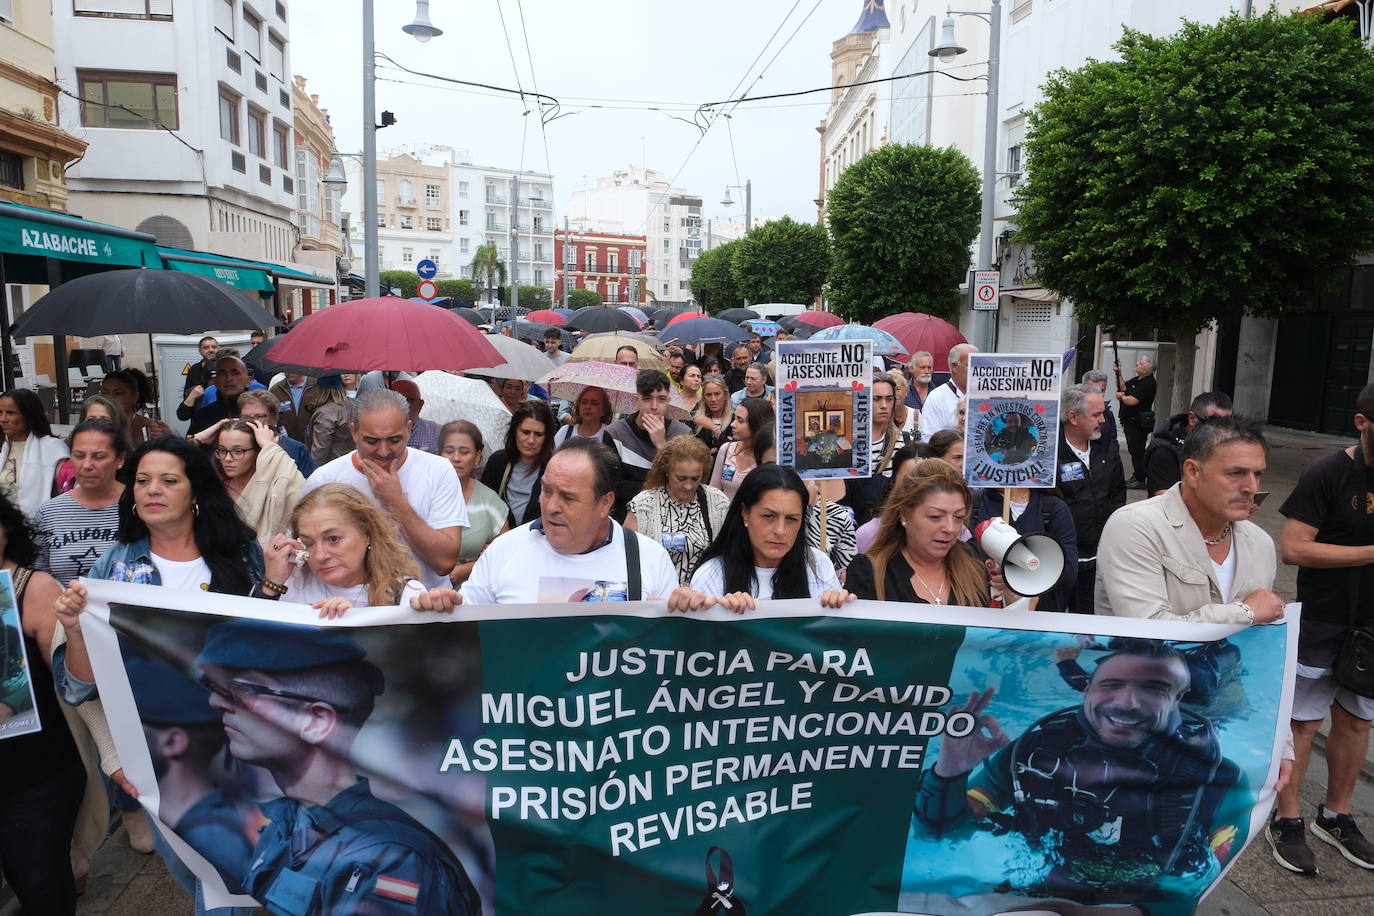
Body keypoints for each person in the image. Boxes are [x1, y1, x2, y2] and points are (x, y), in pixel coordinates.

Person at [52, 435, 266, 916]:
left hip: (239, 753)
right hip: (158, 757)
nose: (152, 490)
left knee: (225, 884)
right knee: (197, 874)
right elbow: (84, 685)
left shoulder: (242, 556)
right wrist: (76, 632)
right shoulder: (113, 568)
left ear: (195, 491)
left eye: (169, 481)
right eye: (143, 481)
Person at [915, 640, 1249, 904]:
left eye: (1154, 689)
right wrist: (948, 773)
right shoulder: (1032, 752)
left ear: (1177, 699)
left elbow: (1198, 883)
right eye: (1111, 684)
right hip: (1039, 891)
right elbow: (939, 834)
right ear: (1085, 688)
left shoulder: (1216, 779)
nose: (1127, 702)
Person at [195, 620, 481, 915]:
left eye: (241, 690)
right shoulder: (287, 823)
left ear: (317, 721)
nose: (215, 701)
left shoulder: (389, 858)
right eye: (215, 687)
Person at [1270, 384, 1374, 874]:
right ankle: (1286, 820)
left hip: (1371, 628)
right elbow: (1295, 547)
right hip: (1323, 618)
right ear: (1361, 422)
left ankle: (1336, 816)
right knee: (1304, 722)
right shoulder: (1328, 472)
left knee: (1356, 720)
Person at [0, 491, 95, 916]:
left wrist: (75, 632)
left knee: (39, 884)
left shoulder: (33, 588)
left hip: (35, 774)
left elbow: (75, 681)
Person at [1096, 417, 1284, 626]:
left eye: (1257, 474)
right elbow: (1148, 631)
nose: (1252, 488)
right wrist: (1245, 613)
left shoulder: (1260, 543)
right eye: (1236, 473)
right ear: (1193, 472)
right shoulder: (1135, 527)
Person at [459, 439, 694, 606]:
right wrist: (438, 610)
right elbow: (464, 634)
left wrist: (691, 617)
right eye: (546, 491)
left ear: (604, 503)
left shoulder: (649, 559)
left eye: (568, 498)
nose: (551, 507)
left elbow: (667, 652)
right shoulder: (504, 551)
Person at [302, 389, 467, 590]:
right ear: (354, 432)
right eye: (371, 441)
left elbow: (444, 562)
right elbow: (303, 550)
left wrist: (396, 502)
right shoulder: (325, 478)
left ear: (409, 429)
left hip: (424, 606)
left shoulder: (438, 470)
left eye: (394, 440)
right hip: (347, 607)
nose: (383, 451)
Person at [124, 657, 253, 891]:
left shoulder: (214, 836)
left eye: (133, 727)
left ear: (173, 742)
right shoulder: (198, 823)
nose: (122, 739)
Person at [261, 483, 465, 617]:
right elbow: (250, 650)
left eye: (333, 539)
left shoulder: (405, 594)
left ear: (367, 533)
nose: (320, 555)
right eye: (309, 542)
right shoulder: (291, 583)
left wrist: (356, 629)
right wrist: (271, 586)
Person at [688, 464, 852, 611]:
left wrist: (840, 612)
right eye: (768, 516)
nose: (780, 531)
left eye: (791, 519)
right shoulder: (711, 575)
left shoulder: (819, 566)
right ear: (745, 513)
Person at [847, 459, 994, 606]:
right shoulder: (870, 572)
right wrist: (836, 606)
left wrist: (1008, 590)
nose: (950, 528)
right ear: (905, 514)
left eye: (958, 517)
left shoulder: (977, 565)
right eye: (935, 516)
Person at [1056, 384, 1125, 614]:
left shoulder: (1107, 447)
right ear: (1073, 417)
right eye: (1096, 414)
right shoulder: (1049, 452)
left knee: (1086, 624)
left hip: (1098, 557)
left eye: (1103, 413)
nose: (1103, 420)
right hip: (1058, 558)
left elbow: (1117, 493)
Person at [625, 435, 729, 586]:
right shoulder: (643, 505)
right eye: (681, 478)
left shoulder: (718, 502)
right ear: (666, 471)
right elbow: (628, 556)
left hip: (703, 596)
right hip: (658, 595)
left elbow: (729, 553)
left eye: (695, 479)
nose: (688, 486)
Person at [36, 419, 128, 583]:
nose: (87, 465)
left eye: (98, 456)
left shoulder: (136, 506)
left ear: (120, 459)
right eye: (78, 455)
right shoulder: (50, 513)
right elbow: (37, 576)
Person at [972, 487, 1079, 613]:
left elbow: (1068, 574)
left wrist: (1019, 579)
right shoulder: (975, 505)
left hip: (1041, 616)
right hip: (982, 615)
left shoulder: (1053, 508)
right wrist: (994, 576)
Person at [604, 370, 693, 518]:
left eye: (661, 399)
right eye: (647, 399)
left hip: (672, 517)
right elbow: (613, 486)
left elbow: (686, 484)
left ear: (668, 401)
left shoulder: (683, 434)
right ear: (637, 400)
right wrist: (660, 487)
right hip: (627, 517)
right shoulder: (615, 433)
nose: (654, 406)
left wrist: (661, 445)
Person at [438, 421, 510, 585]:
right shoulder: (422, 494)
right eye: (449, 451)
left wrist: (467, 569)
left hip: (474, 594)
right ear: (438, 454)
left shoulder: (490, 501)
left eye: (464, 452)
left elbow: (505, 555)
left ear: (477, 456)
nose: (456, 458)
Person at [213, 419, 304, 547]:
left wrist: (269, 446)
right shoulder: (214, 491)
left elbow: (301, 490)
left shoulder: (274, 486)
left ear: (258, 452)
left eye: (238, 451)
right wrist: (196, 440)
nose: (227, 459)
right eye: (222, 451)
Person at [842, 373, 906, 527]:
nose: (884, 405)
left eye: (889, 399)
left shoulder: (902, 441)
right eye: (876, 399)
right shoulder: (845, 440)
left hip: (887, 524)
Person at [480, 399, 556, 526]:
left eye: (538, 434)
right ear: (515, 431)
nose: (531, 440)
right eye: (525, 432)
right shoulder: (497, 462)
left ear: (547, 436)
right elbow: (484, 506)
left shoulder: (554, 469)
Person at [1144, 391, 1233, 497]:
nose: (1222, 430)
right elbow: (1165, 497)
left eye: (1227, 424)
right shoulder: (1164, 450)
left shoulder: (1225, 446)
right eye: (1214, 423)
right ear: (1192, 418)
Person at [0, 387, 68, 515]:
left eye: (10, 413)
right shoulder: (2, 448)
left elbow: (68, 489)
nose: (3, 419)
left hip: (40, 527)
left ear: (28, 415)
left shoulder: (53, 448)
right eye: (0, 412)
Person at [53, 394, 126, 494]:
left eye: (105, 420)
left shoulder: (133, 471)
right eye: (91, 420)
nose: (97, 425)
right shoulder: (66, 471)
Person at [236, 389, 316, 477]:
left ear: (274, 418)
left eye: (259, 416)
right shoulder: (231, 445)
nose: (252, 421)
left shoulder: (296, 449)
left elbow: (310, 484)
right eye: (246, 417)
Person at [710, 397, 769, 501]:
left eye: (740, 420)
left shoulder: (769, 458)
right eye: (734, 418)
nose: (732, 424)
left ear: (756, 424)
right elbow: (713, 491)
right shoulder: (726, 449)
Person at [181, 354, 251, 435]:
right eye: (222, 373)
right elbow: (191, 443)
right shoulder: (204, 415)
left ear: (247, 381)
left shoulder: (257, 413)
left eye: (235, 373)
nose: (228, 378)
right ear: (215, 381)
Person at [1116, 353, 1157, 488]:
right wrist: (1119, 372)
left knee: (1137, 451)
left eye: (1140, 364)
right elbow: (1123, 387)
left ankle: (1140, 479)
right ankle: (1138, 474)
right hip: (1131, 421)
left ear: (1145, 370)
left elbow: (1132, 401)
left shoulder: (1148, 383)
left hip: (1138, 422)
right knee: (1134, 450)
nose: (1137, 364)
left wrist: (1121, 397)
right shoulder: (1139, 379)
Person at [919, 343, 976, 440]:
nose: (976, 370)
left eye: (978, 365)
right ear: (954, 367)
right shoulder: (937, 398)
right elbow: (929, 440)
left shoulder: (985, 395)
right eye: (970, 365)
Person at [101, 368, 168, 445]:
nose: (110, 398)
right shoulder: (97, 425)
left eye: (118, 393)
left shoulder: (151, 428)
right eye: (105, 393)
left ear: (135, 396)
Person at [304, 375, 354, 467]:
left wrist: (313, 474)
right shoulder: (354, 404)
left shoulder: (324, 414)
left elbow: (319, 452)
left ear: (319, 389)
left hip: (332, 470)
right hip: (353, 465)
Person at [389, 379, 442, 454]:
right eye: (395, 399)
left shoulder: (436, 432)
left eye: (408, 400)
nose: (402, 405)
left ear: (420, 405)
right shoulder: (375, 430)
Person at [268, 372, 313, 443]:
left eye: (291, 369)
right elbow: (269, 417)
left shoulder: (316, 386)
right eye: (285, 368)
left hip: (314, 443)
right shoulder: (275, 390)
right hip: (286, 444)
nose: (288, 372)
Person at [692, 375, 733, 452]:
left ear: (725, 395)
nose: (713, 399)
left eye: (717, 394)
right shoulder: (696, 418)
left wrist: (713, 428)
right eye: (708, 395)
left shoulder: (734, 421)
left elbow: (732, 449)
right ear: (703, 397)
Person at [1079, 368, 1118, 445]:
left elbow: (1113, 442)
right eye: (1093, 390)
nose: (1098, 394)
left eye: (1102, 391)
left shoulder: (1108, 415)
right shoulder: (1072, 414)